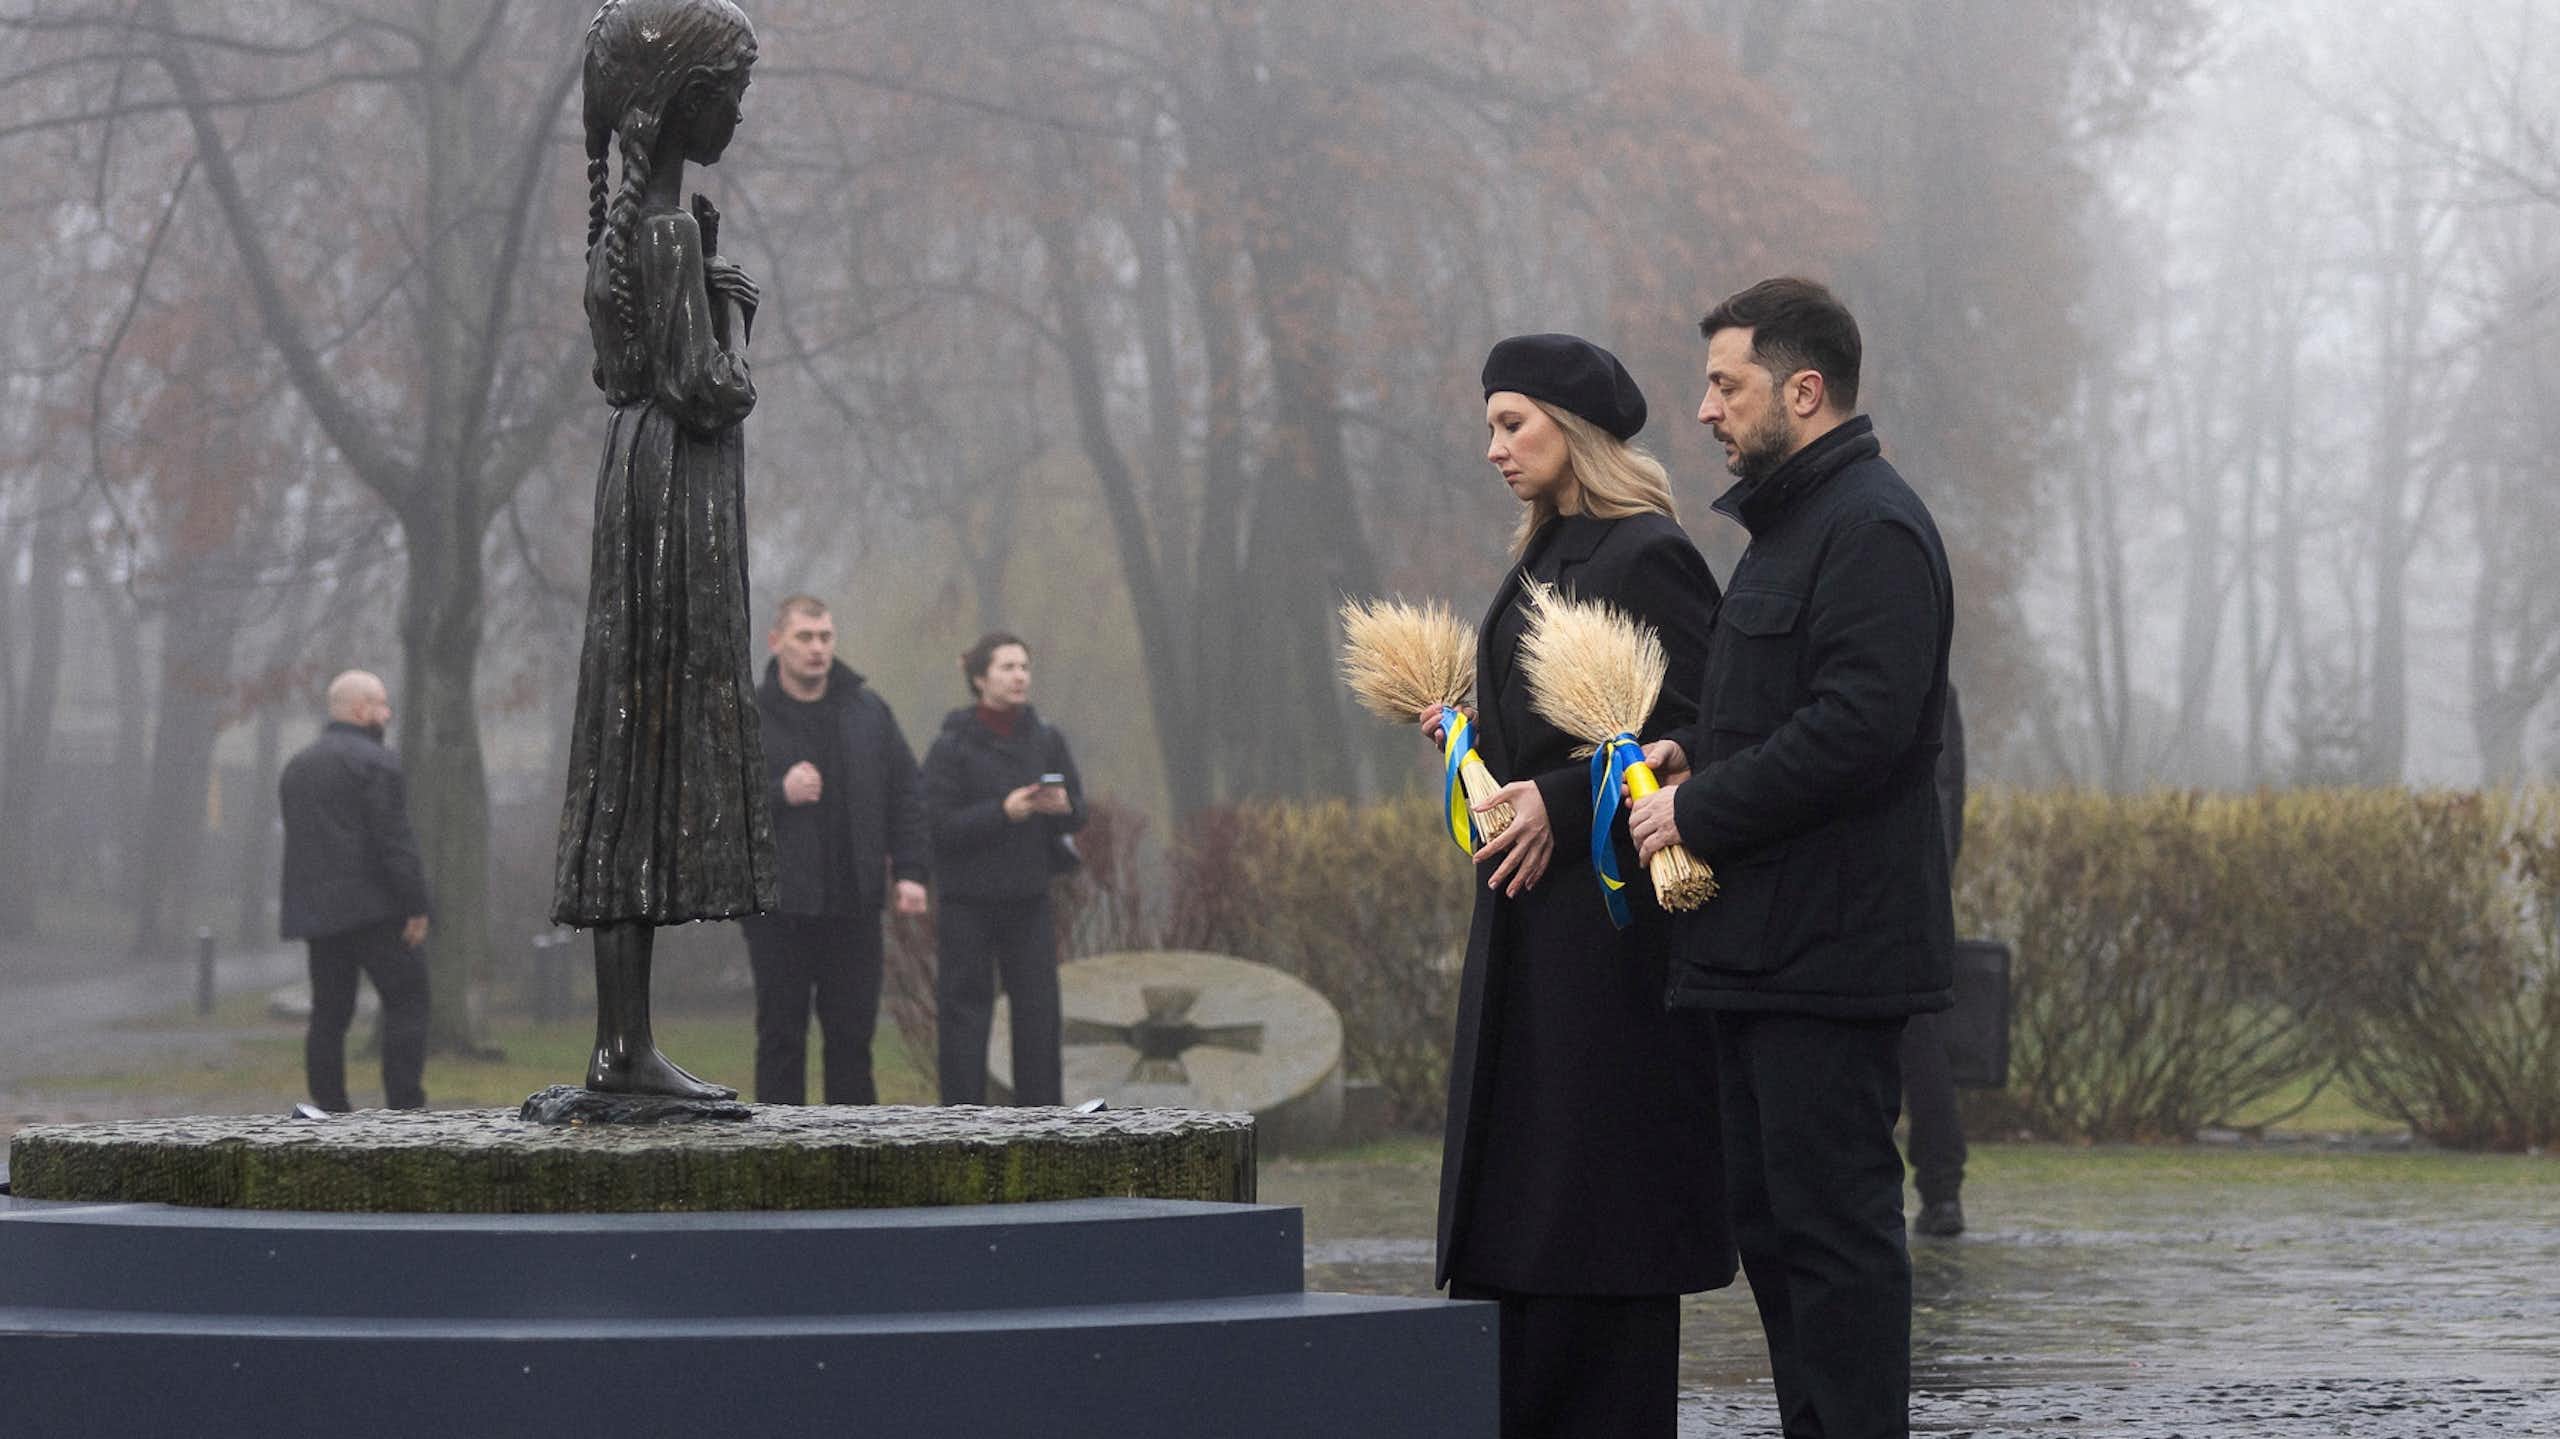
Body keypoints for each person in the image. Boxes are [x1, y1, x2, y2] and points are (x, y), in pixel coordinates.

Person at [1629, 277, 1956, 1439]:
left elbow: (1862, 725)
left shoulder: (1869, 525)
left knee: (1836, 1246)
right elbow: (1781, 711)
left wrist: (1701, 808)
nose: (1706, 409)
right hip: (1761, 954)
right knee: (1775, 1235)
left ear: (1802, 390)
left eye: (1726, 384)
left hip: (1831, 957)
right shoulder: (1789, 530)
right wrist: (1687, 747)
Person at [1429, 333, 1733, 1438]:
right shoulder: (1544, 554)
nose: (1494, 446)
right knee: (1527, 1219)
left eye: (1514, 423)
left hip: (1607, 949)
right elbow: (1544, 734)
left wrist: (1558, 805)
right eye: (1492, 424)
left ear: (1576, 429)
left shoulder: (1644, 552)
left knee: (1592, 1221)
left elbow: (1703, 728)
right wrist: (1467, 743)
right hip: (1529, 936)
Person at [552, 0, 775, 1100]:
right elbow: (706, 389)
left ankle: (619, 1041)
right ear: (687, 97)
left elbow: (623, 373)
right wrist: (727, 318)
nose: (737, 110)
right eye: (729, 90)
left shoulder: (624, 232)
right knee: (651, 744)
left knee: (624, 743)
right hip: (673, 500)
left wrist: (706, 291)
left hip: (630, 482)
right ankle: (625, 1052)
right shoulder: (671, 231)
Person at [743, 595, 931, 1105]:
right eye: (805, 637)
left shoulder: (868, 712)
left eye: (826, 637)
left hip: (854, 904)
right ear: (776, 642)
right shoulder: (748, 716)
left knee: (852, 1040)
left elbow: (906, 792)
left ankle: (857, 1158)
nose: (817, 649)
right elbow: (714, 801)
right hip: (778, 907)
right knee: (781, 1037)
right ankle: (777, 1154)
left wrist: (912, 872)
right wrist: (781, 791)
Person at [920, 633, 1086, 1106]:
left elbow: (1079, 813)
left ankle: (1042, 1127)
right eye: (1007, 667)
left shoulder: (1047, 738)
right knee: (964, 1018)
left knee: (1038, 1016)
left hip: (1029, 897)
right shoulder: (951, 746)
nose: (1020, 676)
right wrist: (1002, 812)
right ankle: (960, 1125)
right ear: (979, 678)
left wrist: (1061, 806)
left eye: (1024, 667)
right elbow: (936, 824)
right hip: (967, 902)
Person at [277, 670, 432, 1112]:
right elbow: (394, 842)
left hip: (320, 917)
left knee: (329, 1014)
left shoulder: (298, 768)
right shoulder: (376, 763)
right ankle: (405, 1107)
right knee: (408, 1002)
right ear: (361, 709)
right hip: (377, 911)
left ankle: (329, 1108)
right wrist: (416, 905)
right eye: (382, 704)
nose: (388, 713)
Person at [1903, 684, 1970, 1237]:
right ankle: (1942, 1188)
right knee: (1922, 1046)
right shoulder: (1938, 694)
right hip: (1918, 890)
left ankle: (1941, 1187)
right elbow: (1954, 797)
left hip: (1880, 892)